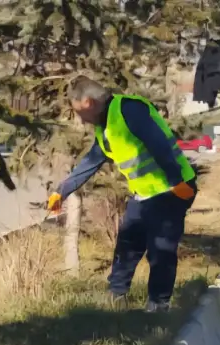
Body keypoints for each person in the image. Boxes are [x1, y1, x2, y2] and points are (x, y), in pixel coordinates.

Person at [46, 76, 198, 312]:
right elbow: (92, 161)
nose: (78, 117)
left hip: (171, 190)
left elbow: (158, 144)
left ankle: (158, 307)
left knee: (161, 250)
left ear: (88, 103)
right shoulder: (104, 126)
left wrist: (176, 181)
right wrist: (61, 191)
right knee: (127, 245)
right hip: (144, 194)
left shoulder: (128, 109)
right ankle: (116, 298)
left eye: (78, 110)